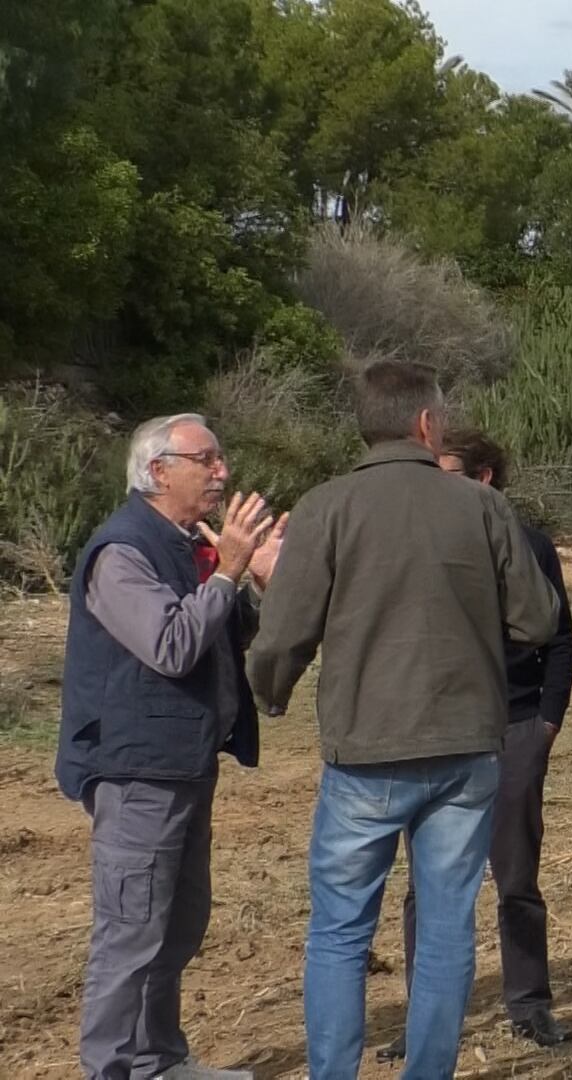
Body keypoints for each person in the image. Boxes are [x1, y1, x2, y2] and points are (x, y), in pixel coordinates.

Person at [248, 362, 559, 1080]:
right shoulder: (481, 509)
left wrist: (270, 691)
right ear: (426, 424)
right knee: (448, 931)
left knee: (339, 933)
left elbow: (284, 634)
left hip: (365, 751)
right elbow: (539, 618)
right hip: (466, 748)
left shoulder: (326, 507)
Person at [58, 415, 283, 1080]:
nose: (222, 473)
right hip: (136, 771)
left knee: (177, 924)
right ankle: (114, 1068)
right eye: (206, 460)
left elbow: (226, 633)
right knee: (130, 933)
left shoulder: (187, 546)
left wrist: (264, 578)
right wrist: (230, 571)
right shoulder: (121, 550)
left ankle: (159, 1060)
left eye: (221, 458)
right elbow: (171, 644)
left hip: (182, 764)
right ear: (159, 472)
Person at [378, 431, 572, 1063]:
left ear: (485, 477)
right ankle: (426, 1015)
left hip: (515, 727)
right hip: (441, 732)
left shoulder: (532, 546)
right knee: (427, 883)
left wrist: (547, 722)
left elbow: (561, 639)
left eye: (448, 473)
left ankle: (528, 1003)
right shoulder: (422, 545)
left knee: (516, 875)